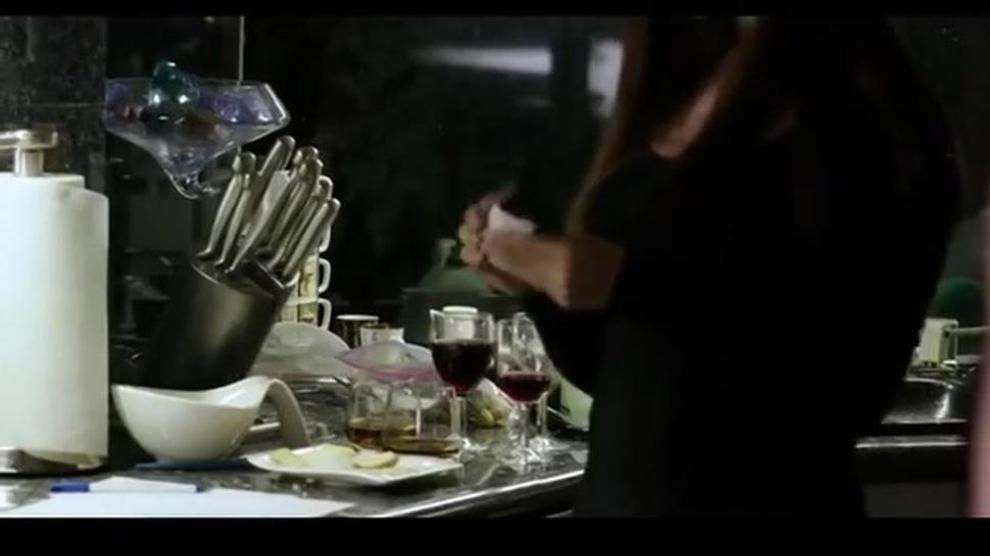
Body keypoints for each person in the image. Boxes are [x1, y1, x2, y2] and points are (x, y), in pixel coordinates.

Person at [459, 17, 961, 516]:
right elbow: (629, 372)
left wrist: (629, 282)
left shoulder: (869, 108)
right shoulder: (684, 76)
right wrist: (542, 291)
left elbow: (850, 389)